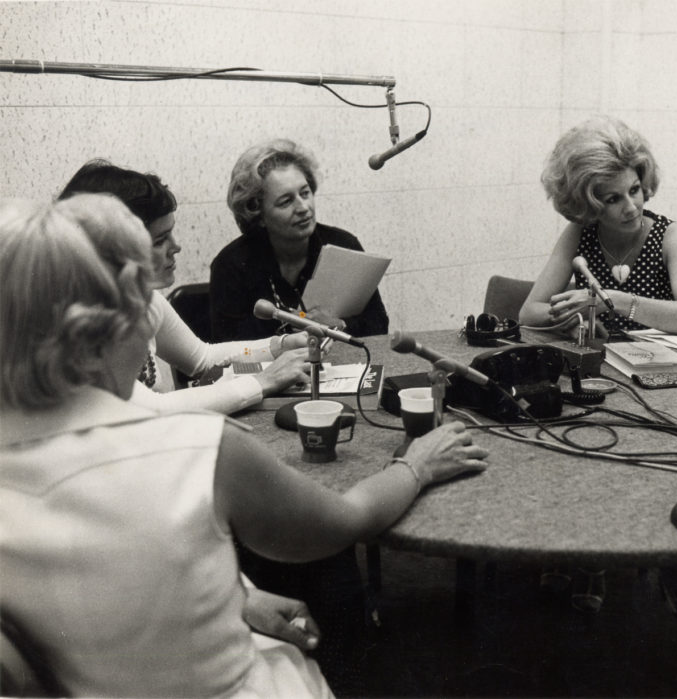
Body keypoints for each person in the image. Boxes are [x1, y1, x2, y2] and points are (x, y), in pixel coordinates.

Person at [0, 195, 487, 697]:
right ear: (113, 321)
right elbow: (345, 523)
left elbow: (98, 589)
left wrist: (236, 596)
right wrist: (416, 465)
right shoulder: (200, 449)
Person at [58, 160, 311, 415]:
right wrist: (262, 381)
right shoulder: (81, 324)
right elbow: (155, 408)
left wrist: (278, 346)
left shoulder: (146, 299)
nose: (176, 247)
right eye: (160, 240)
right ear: (112, 248)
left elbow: (202, 358)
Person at [520, 116, 677, 338]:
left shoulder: (671, 236)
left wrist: (610, 300)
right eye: (613, 199)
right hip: (601, 363)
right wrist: (577, 319)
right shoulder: (580, 233)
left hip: (659, 366)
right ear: (589, 204)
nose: (631, 207)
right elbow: (529, 313)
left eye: (634, 190)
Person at [210, 139, 389, 341]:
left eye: (305, 193)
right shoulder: (231, 265)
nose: (303, 207)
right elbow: (230, 346)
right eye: (286, 201)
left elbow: (379, 325)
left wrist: (339, 325)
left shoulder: (344, 244)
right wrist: (297, 330)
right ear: (258, 214)